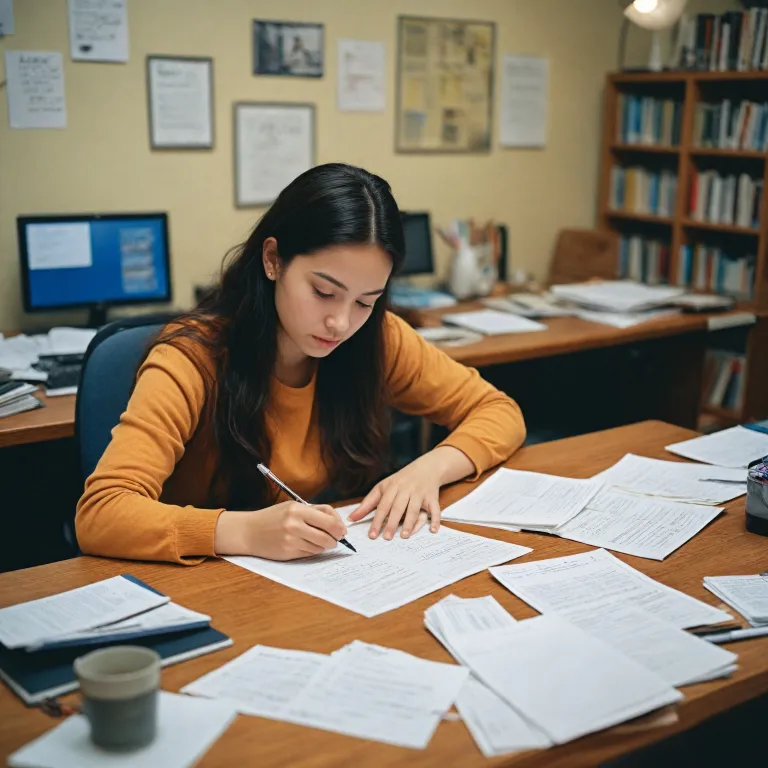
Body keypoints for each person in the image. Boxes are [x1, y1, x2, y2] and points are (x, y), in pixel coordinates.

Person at [75, 163, 526, 565]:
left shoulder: (377, 338)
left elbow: (499, 411)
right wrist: (244, 530)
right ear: (273, 260)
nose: (341, 322)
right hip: (205, 584)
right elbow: (102, 513)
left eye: (365, 301)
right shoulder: (191, 359)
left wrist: (427, 469)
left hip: (315, 580)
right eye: (324, 292)